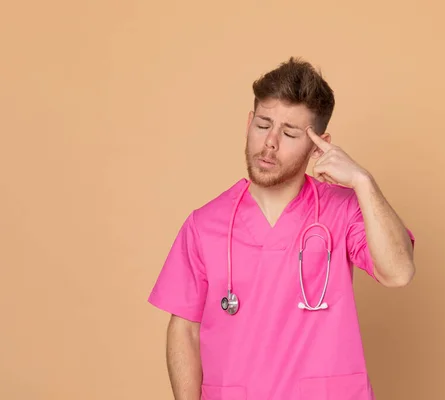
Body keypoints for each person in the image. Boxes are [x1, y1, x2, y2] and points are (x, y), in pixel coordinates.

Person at [147, 57, 416, 400]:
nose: (270, 142)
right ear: (248, 122)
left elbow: (398, 272)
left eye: (289, 133)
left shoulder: (343, 210)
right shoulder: (204, 224)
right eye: (263, 125)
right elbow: (184, 329)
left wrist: (363, 183)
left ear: (319, 143)